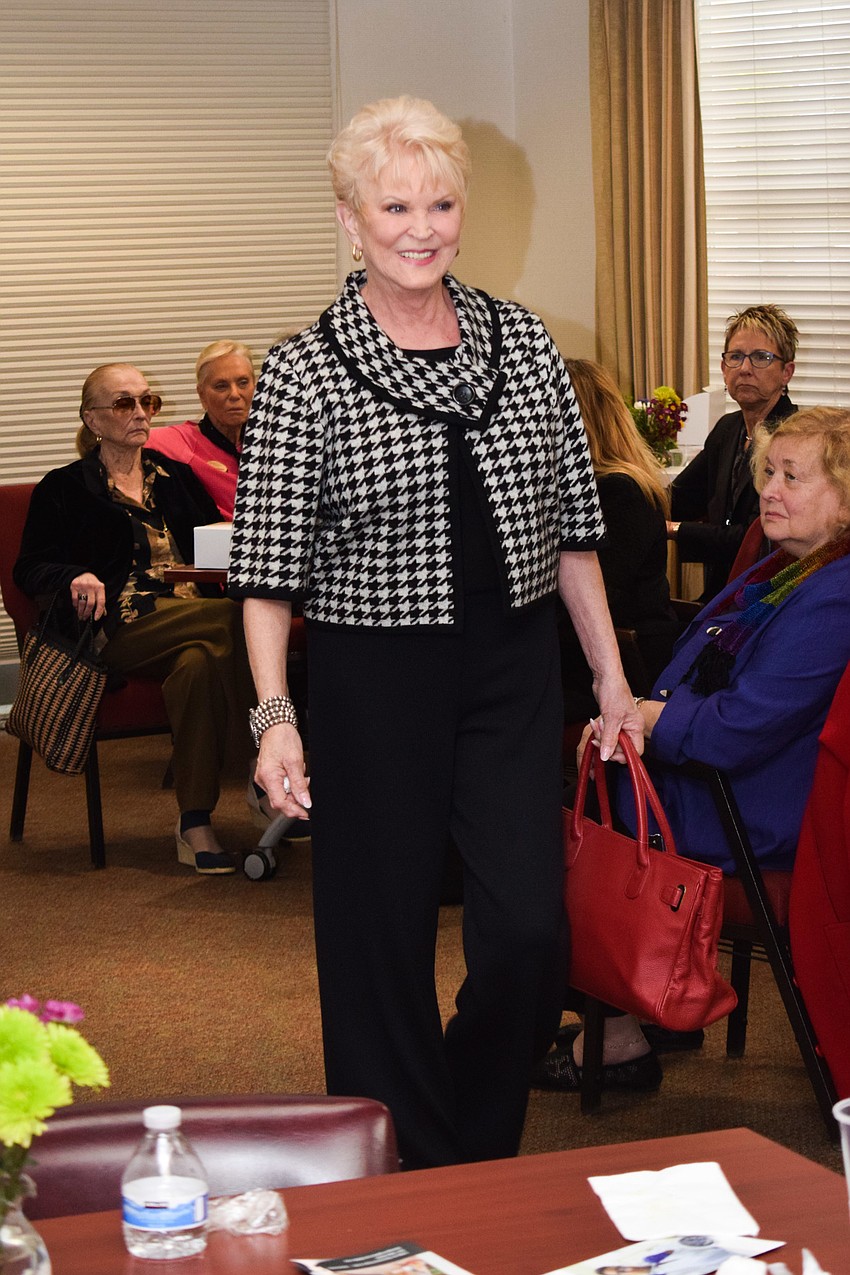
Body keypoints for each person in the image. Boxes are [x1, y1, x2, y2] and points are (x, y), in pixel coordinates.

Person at [227, 95, 642, 1169]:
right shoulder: (304, 370)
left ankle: (459, 1132)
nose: (422, 226)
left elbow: (573, 538)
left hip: (510, 674)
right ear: (349, 218)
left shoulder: (524, 344)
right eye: (395, 203)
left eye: (442, 201)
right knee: (380, 944)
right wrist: (276, 717)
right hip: (374, 677)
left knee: (527, 937)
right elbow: (266, 576)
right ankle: (404, 1171)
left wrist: (609, 681)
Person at [541, 404, 850, 1091]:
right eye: (768, 471)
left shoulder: (837, 595)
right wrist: (634, 720)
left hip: (756, 805)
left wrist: (647, 722)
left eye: (792, 477)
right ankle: (646, 1002)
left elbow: (741, 727)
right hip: (727, 778)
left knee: (548, 837)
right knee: (564, 806)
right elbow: (696, 671)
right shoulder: (785, 569)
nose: (768, 488)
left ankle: (619, 1032)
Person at [14, 362, 256, 874]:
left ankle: (194, 823)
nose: (142, 413)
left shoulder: (174, 479)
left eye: (148, 402)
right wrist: (74, 574)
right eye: (125, 403)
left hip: (190, 618)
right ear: (93, 419)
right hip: (114, 627)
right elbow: (28, 567)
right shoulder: (64, 487)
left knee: (198, 664)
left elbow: (213, 547)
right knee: (238, 623)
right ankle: (262, 773)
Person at [560, 359, 680, 720]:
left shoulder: (619, 493)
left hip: (627, 663)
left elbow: (601, 597)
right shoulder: (606, 487)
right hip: (595, 651)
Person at [668, 303, 798, 600]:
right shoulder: (728, 429)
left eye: (761, 358)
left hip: (769, 596)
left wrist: (673, 530)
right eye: (736, 357)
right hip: (720, 590)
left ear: (786, 372)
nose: (745, 369)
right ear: (724, 368)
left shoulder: (795, 438)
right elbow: (680, 498)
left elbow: (755, 536)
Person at [147, 340, 256, 518]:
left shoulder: (275, 443)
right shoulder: (182, 441)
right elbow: (111, 438)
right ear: (202, 394)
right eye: (221, 386)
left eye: (243, 383)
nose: (235, 394)